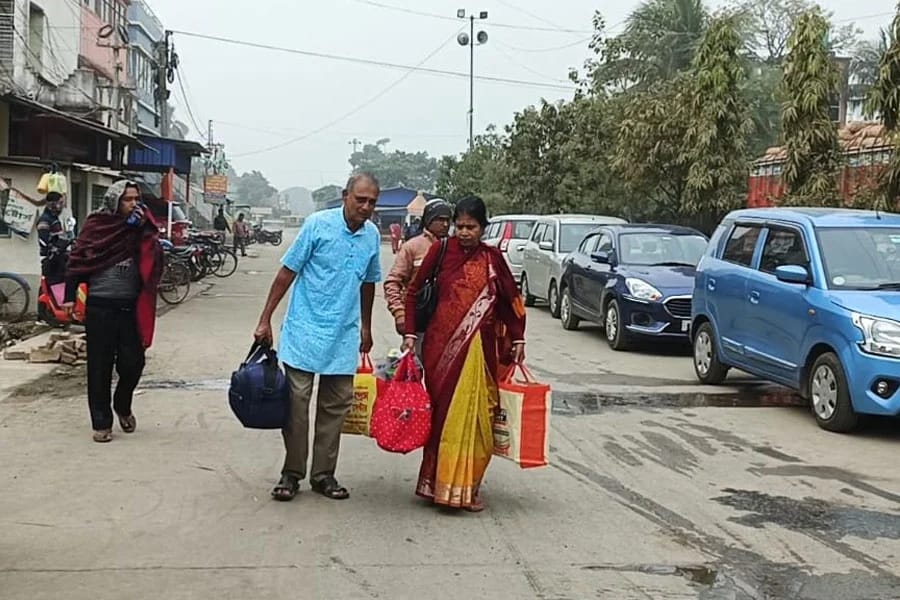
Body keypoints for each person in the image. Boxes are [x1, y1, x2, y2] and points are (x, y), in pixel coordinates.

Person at [254, 173, 382, 502]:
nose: (366, 207)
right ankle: (291, 473)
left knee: (334, 408)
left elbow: (369, 283)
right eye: (360, 200)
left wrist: (366, 327)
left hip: (343, 335)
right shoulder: (317, 225)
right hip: (304, 332)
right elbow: (286, 273)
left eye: (371, 202)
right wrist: (265, 318)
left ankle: (324, 474)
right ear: (345, 196)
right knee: (295, 407)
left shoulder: (371, 236)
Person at [401, 195, 526, 513]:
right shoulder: (441, 251)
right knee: (443, 418)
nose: (465, 232)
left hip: (480, 351)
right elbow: (413, 291)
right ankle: (435, 484)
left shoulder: (492, 258)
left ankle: (465, 487)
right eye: (460, 226)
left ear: (483, 227)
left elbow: (511, 300)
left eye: (471, 227)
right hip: (441, 352)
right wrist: (410, 333)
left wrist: (518, 337)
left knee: (478, 419)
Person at [64, 180, 163, 443]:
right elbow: (78, 259)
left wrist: (146, 235)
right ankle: (102, 422)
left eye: (135, 199)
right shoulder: (97, 226)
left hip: (130, 308)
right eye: (127, 199)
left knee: (134, 362)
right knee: (99, 366)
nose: (133, 204)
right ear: (114, 201)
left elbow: (154, 255)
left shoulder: (141, 226)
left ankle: (122, 403)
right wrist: (69, 298)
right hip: (100, 307)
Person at [384, 199, 452, 339]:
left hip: (448, 324)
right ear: (428, 220)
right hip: (418, 322)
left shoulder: (455, 247)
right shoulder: (412, 247)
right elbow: (392, 282)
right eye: (439, 219)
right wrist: (399, 313)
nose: (445, 224)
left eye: (448, 220)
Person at [36, 192, 66, 283]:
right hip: (51, 260)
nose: (62, 206)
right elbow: (43, 241)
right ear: (52, 204)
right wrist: (55, 250)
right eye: (60, 203)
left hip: (58, 258)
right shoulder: (45, 220)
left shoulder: (54, 218)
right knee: (52, 288)